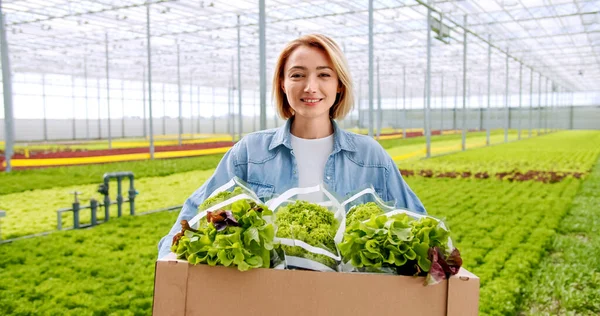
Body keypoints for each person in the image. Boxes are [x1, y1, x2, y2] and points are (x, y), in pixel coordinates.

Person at [158, 33, 425, 259]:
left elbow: (418, 225)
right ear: (283, 85)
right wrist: (171, 263)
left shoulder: (370, 157)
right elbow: (192, 218)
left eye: (324, 75)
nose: (310, 87)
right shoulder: (250, 153)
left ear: (339, 85)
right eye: (298, 75)